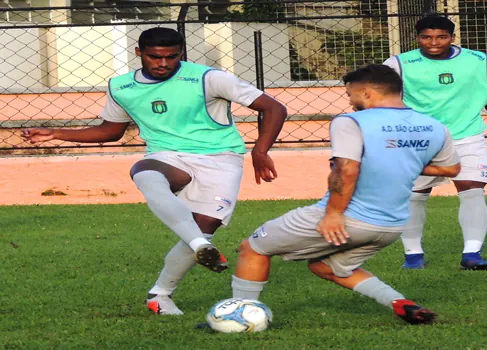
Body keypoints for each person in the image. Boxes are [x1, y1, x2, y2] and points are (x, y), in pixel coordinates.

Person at [21, 27, 287, 315]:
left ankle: (160, 294)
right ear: (139, 53)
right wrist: (56, 133)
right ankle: (198, 244)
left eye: (171, 57)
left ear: (181, 53)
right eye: (154, 57)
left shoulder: (210, 78)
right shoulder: (121, 86)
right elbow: (111, 131)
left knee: (204, 227)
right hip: (166, 155)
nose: (163, 64)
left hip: (221, 159)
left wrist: (260, 151)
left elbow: (274, 108)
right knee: (145, 172)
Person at [229, 64, 461, 325]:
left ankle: (241, 318)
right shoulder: (434, 127)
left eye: (351, 95)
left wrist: (334, 214)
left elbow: (347, 170)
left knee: (254, 248)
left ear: (368, 92)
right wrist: (400, 158)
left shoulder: (350, 122)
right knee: (325, 266)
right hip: (391, 225)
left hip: (348, 217)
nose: (350, 103)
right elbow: (451, 168)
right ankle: (401, 303)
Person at [383, 15, 487, 270]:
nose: (433, 42)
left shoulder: (477, 59)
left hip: (467, 135)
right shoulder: (398, 63)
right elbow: (383, 99)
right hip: (419, 139)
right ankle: (413, 255)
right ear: (417, 37)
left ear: (452, 37)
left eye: (441, 36)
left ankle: (472, 254)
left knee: (472, 189)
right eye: (426, 37)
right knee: (414, 195)